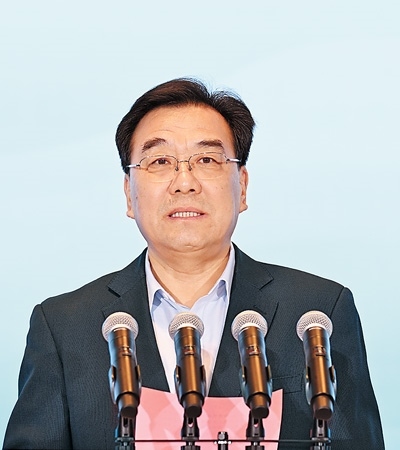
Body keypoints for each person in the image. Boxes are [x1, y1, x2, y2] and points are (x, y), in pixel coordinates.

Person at [3, 78, 384, 449]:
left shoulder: (318, 311)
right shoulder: (65, 326)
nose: (184, 182)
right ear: (129, 195)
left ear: (242, 186)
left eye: (206, 159)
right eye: (160, 161)